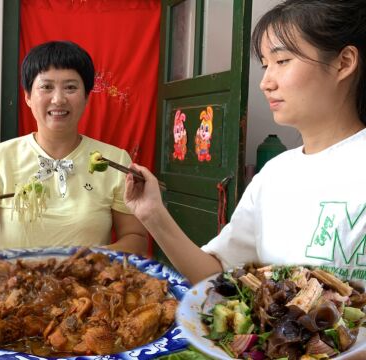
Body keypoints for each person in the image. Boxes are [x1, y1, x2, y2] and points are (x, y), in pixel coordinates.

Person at [124, 0, 366, 286]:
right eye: (265, 65)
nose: (266, 82)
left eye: (282, 61)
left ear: (344, 63)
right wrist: (153, 214)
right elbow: (218, 276)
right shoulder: (275, 173)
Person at [0, 40, 148, 256]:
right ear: (27, 97)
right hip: (13, 284)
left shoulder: (114, 161)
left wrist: (87, 261)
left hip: (87, 286)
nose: (58, 99)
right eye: (46, 87)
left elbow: (136, 240)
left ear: (86, 97)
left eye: (71, 87)